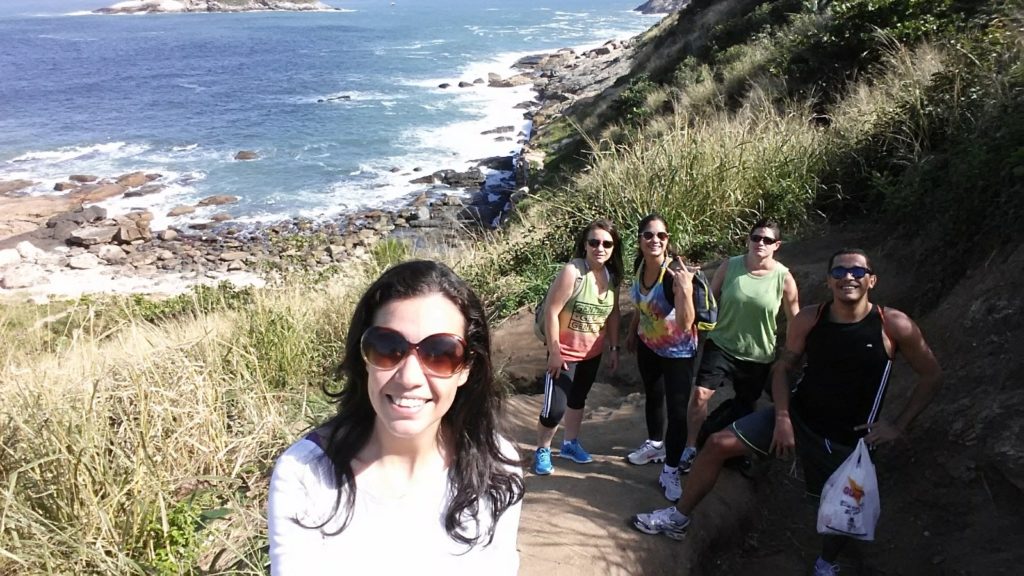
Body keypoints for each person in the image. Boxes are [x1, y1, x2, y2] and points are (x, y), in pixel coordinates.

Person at [632, 249, 942, 576]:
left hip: (848, 438)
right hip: (798, 415)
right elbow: (782, 369)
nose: (847, 277)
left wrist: (898, 425)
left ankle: (826, 563)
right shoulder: (811, 318)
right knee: (718, 445)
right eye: (838, 272)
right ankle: (679, 518)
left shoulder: (893, 325)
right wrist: (782, 417)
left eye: (856, 271)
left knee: (838, 508)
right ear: (829, 280)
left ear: (872, 280)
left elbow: (932, 375)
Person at [268, 260, 525, 575]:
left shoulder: (496, 469)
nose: (409, 377)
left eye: (441, 353)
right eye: (388, 347)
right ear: (364, 359)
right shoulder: (306, 475)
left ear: (466, 369)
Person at [682, 218, 799, 471]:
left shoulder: (784, 278)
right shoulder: (730, 266)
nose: (760, 243)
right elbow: (709, 301)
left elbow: (795, 319)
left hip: (758, 353)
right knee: (700, 394)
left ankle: (735, 449)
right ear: (748, 239)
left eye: (767, 240)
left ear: (776, 245)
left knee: (745, 405)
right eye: (756, 238)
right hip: (721, 343)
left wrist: (792, 354)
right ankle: (690, 447)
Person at [533, 218, 623, 475]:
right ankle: (543, 449)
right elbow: (552, 311)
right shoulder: (573, 272)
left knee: (578, 399)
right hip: (565, 354)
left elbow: (614, 314)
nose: (600, 248)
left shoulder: (611, 276)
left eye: (607, 243)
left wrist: (614, 348)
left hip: (591, 353)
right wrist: (555, 351)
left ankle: (570, 444)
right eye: (594, 242)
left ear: (613, 248)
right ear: (585, 245)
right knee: (554, 409)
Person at [623, 213, 698, 502]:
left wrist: (686, 290)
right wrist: (632, 333)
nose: (655, 240)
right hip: (648, 345)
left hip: (678, 352)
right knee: (653, 397)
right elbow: (642, 306)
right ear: (640, 240)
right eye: (649, 235)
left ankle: (670, 470)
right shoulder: (641, 266)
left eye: (661, 236)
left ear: (668, 240)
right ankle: (655, 444)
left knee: (678, 412)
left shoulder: (673, 275)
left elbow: (685, 323)